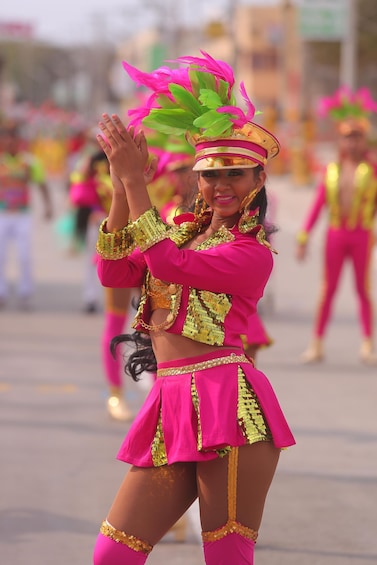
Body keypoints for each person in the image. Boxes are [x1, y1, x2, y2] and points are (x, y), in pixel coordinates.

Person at [93, 51, 295, 565]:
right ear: (196, 179)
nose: (221, 185)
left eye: (235, 174)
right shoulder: (183, 232)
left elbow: (165, 261)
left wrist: (137, 183)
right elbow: (115, 273)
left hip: (228, 405)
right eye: (210, 174)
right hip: (170, 405)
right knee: (112, 556)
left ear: (258, 182)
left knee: (226, 557)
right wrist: (120, 187)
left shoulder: (250, 253)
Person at [296, 86, 377, 365]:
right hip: (335, 236)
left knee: (362, 289)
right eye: (346, 138)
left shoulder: (372, 171)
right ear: (340, 141)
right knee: (327, 290)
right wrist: (304, 236)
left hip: (362, 235)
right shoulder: (331, 171)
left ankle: (368, 344)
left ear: (364, 140)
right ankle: (317, 344)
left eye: (356, 137)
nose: (352, 143)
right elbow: (318, 206)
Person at [0, 121, 53, 309]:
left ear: (18, 141)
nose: (9, 142)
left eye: (13, 138)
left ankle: (25, 293)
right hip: (3, 214)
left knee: (24, 255)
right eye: (5, 138)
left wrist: (48, 207)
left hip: (22, 215)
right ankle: (2, 293)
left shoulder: (29, 162)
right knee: (1, 255)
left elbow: (42, 184)